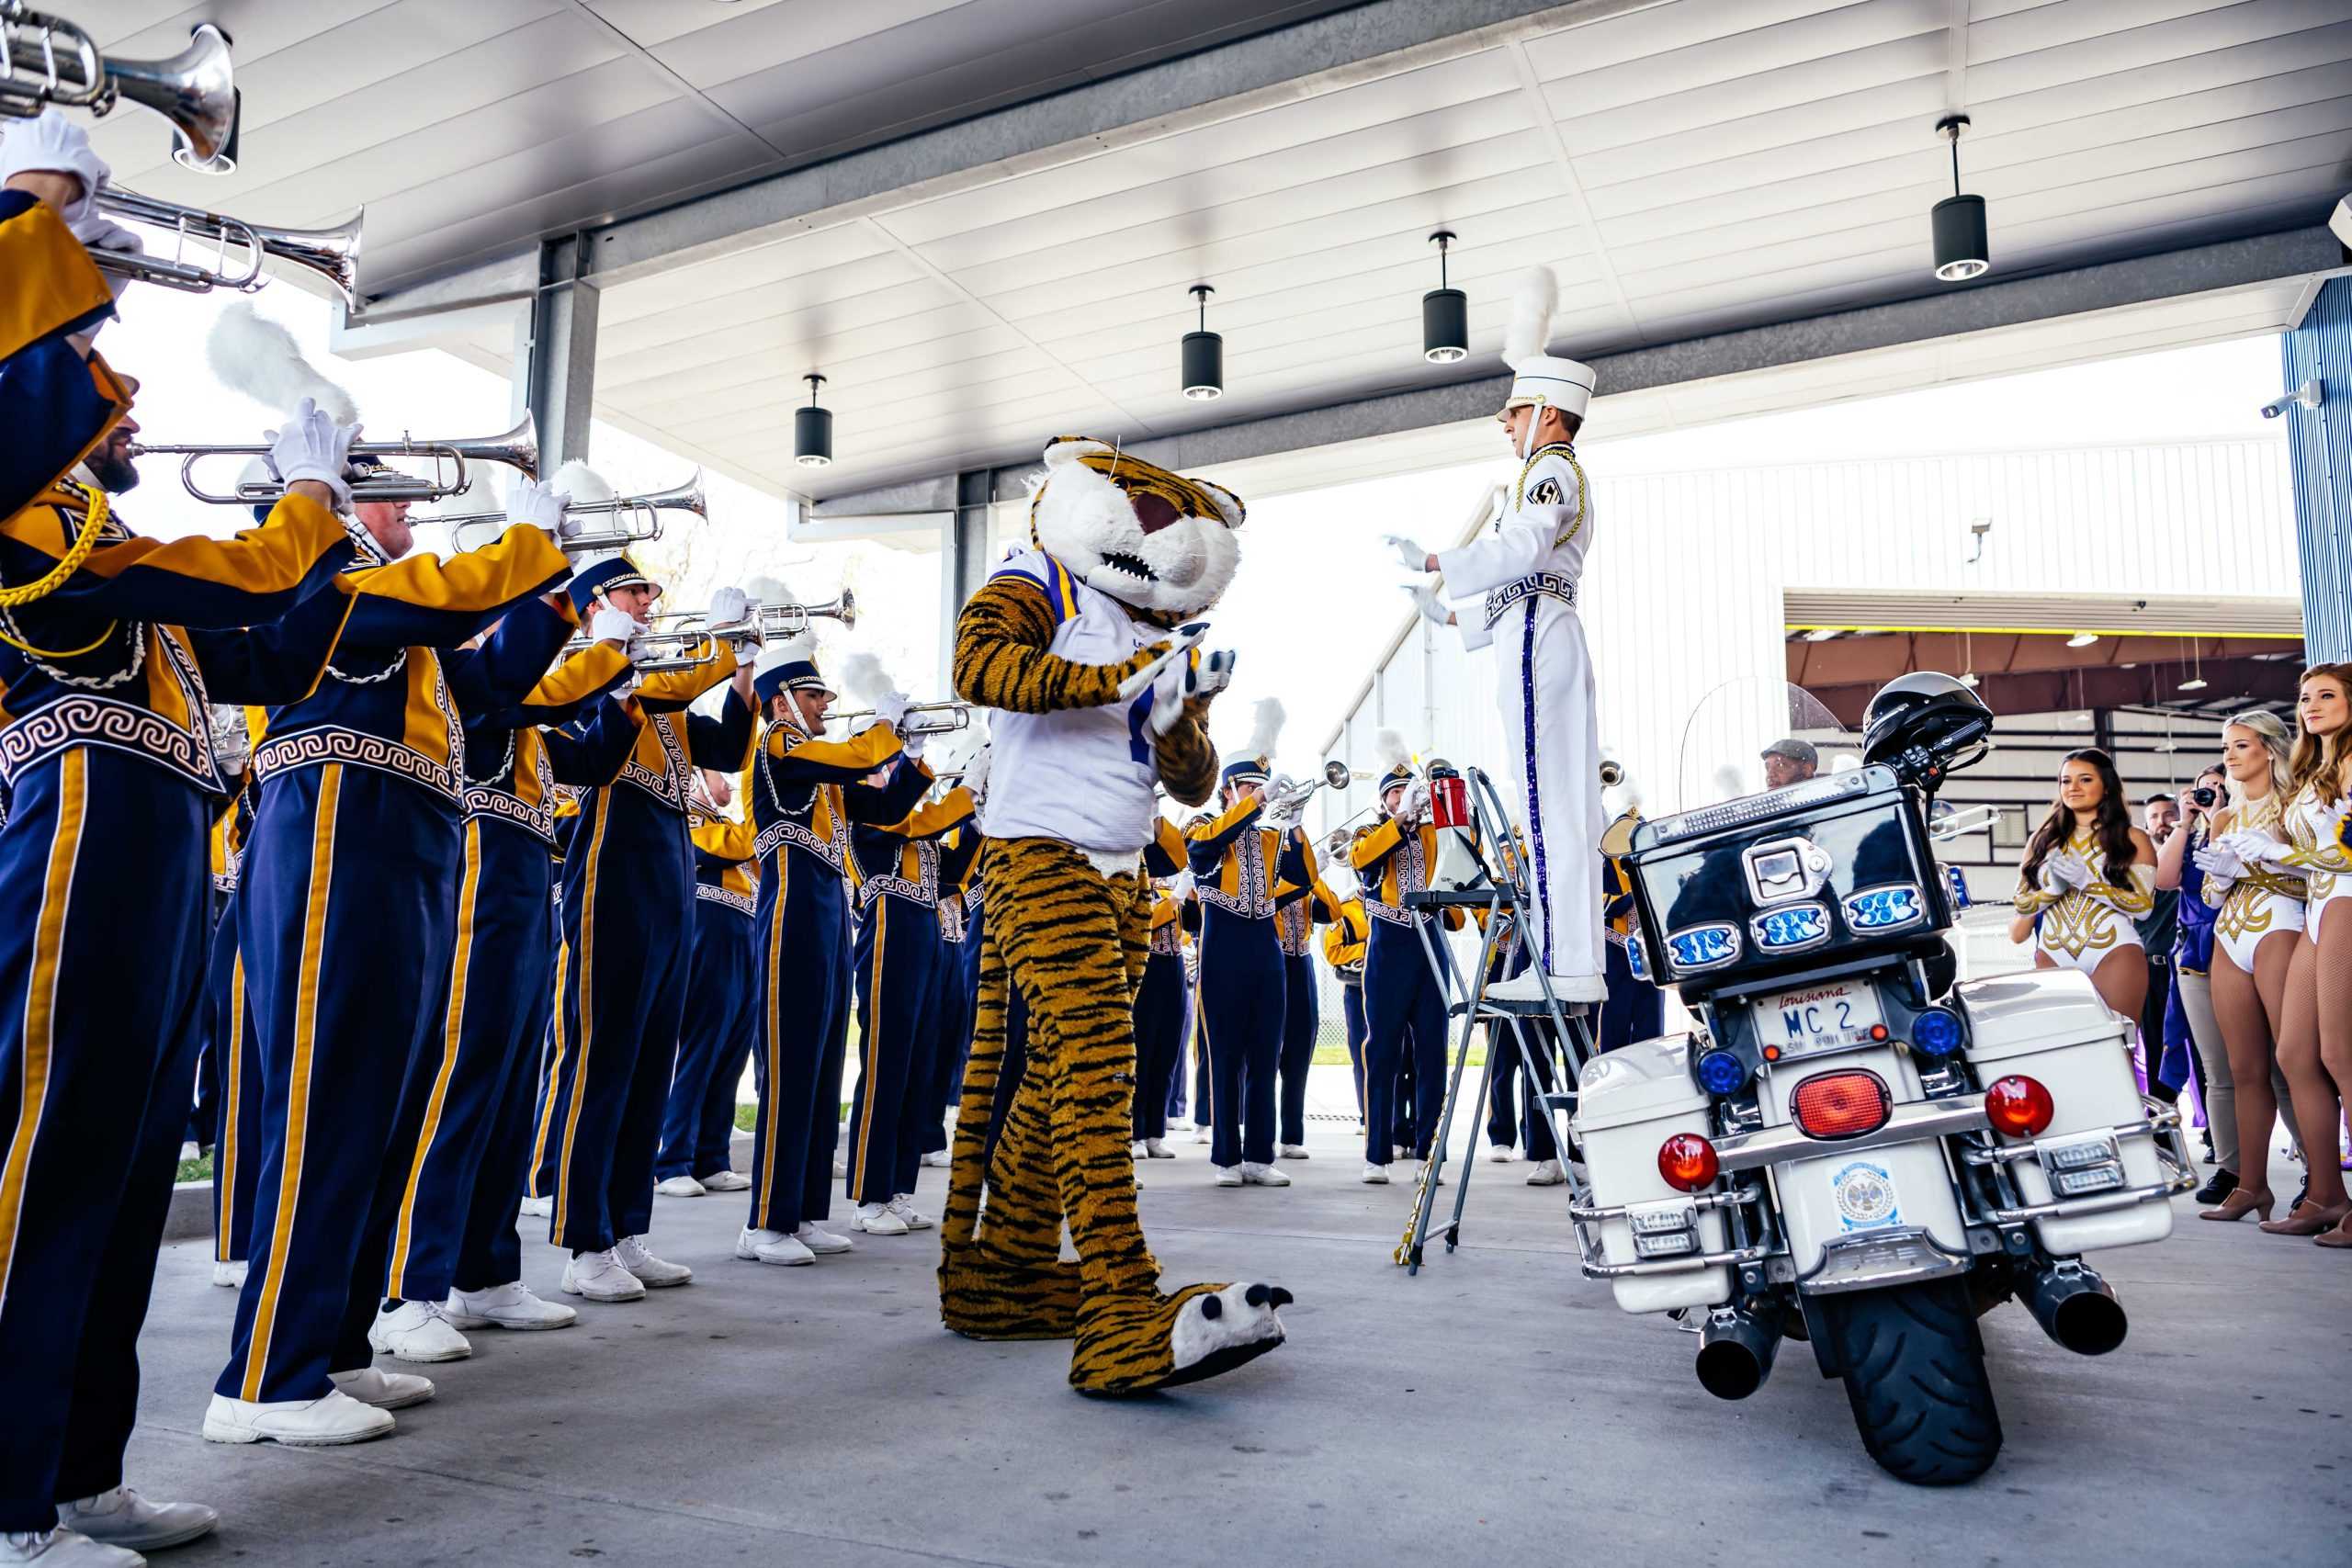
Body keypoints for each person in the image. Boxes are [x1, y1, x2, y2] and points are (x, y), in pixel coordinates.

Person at [2, 113, 375, 1558]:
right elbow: (226, 580)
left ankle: (75, 1470)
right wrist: (31, 203)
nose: (134, 393)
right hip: (69, 865)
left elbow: (274, 650)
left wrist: (322, 508)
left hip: (151, 875)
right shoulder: (41, 522)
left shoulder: (110, 538)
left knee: (120, 1168)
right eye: (102, 385)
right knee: (38, 1175)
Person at [208, 468, 584, 1445]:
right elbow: (444, 599)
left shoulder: (389, 614)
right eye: (386, 499)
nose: (410, 513)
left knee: (383, 1104)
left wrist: (553, 598)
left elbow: (489, 681)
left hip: (403, 830)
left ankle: (329, 1352)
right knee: (328, 1101)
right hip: (339, 818)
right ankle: (263, 1379)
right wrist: (525, 541)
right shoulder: (319, 585)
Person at [367, 632, 639, 1360]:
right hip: (482, 879)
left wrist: (622, 689)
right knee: (457, 1082)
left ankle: (483, 1274)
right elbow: (522, 693)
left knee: (510, 1088)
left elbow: (595, 760)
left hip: (524, 893)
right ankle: (405, 1291)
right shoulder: (476, 689)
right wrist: (602, 650)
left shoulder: (534, 726)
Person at [533, 558, 756, 1303]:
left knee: (649, 1059)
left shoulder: (660, 703)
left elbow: (725, 745)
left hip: (666, 884)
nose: (650, 606)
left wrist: (748, 674)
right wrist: (721, 647)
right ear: (597, 602)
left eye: (650, 596)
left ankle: (627, 1226)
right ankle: (582, 1237)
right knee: (599, 1059)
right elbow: (600, 742)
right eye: (634, 593)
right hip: (611, 877)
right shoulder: (582, 670)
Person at [1390, 265, 1605, 1005]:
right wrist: (1451, 614)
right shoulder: (1549, 472)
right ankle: (1566, 960)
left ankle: (1559, 964)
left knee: (1546, 801)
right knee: (1556, 800)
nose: (1503, 423)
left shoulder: (1549, 473)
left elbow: (1522, 554)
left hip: (1540, 631)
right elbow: (1523, 578)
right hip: (1538, 622)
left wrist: (1441, 560)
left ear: (1547, 412)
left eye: (1514, 410)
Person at [737, 645, 929, 1267]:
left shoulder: (821, 772)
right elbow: (856, 755)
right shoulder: (780, 744)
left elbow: (886, 808)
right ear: (784, 699)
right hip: (791, 901)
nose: (825, 705)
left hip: (824, 910)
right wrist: (885, 727)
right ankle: (765, 1220)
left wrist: (916, 760)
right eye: (815, 694)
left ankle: (800, 1211)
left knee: (820, 1068)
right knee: (792, 1063)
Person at [842, 761, 976, 1235]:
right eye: (882, 770)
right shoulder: (868, 815)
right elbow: (911, 817)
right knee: (885, 1066)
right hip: (887, 934)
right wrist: (968, 791)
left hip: (925, 939)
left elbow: (953, 875)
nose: (890, 774)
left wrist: (977, 820)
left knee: (919, 1067)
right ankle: (867, 1193)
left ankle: (897, 1188)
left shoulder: (915, 829)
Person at [2154, 764, 2295, 1209]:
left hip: (2256, 942)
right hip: (2198, 954)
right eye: (2204, 788)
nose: (2211, 793)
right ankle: (2232, 1169)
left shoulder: (2261, 820)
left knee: (2281, 1066)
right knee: (2220, 1071)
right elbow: (2164, 880)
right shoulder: (2198, 830)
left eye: (2219, 786)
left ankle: (2317, 1167)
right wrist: (2186, 820)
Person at [2186, 714, 2307, 1225]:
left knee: (2297, 1062)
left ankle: (2322, 1183)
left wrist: (2262, 864)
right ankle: (2251, 1185)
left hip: (2282, 927)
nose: (2230, 756)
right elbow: (2213, 894)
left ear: (2270, 749)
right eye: (2226, 746)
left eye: (2241, 745)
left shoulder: (2297, 804)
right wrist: (2220, 873)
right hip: (2229, 935)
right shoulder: (2225, 816)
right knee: (2242, 1070)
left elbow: (2313, 879)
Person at [1351, 750, 1466, 1184]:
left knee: (1433, 1052)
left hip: (1429, 941)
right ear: (1384, 801)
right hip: (1389, 943)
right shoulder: (1372, 831)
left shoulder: (1435, 832)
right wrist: (1399, 823)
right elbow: (1363, 860)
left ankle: (1429, 1153)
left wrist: (1442, 804)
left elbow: (1458, 862)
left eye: (1407, 791)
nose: (1402, 797)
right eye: (1394, 793)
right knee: (1382, 1050)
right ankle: (1377, 1153)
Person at [2267, 665, 2352, 1244]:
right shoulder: (2310, 770)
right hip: (2317, 908)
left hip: (2347, 900)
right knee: (2295, 1053)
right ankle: (2325, 1193)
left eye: (2327, 695)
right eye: (2305, 698)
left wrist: (2289, 858)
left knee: (2341, 1055)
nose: (2312, 706)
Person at [651, 770, 763, 1201]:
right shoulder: (683, 819)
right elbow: (741, 846)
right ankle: (672, 1157)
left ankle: (712, 1156)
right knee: (700, 1046)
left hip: (743, 933)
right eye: (713, 778)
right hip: (710, 929)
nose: (726, 787)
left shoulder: (720, 822)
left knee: (732, 1047)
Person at [1186, 756, 1294, 1188]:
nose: (1257, 795)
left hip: (1265, 945)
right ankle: (1226, 1157)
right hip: (1223, 945)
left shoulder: (1270, 838)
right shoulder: (1205, 828)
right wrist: (1258, 802)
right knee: (1226, 1055)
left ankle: (1260, 1157)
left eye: (1260, 788)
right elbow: (1201, 852)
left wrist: (1296, 825)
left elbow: (1302, 878)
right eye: (1249, 788)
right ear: (1228, 791)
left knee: (1267, 1053)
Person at [2008, 748, 2155, 1022]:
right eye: (2066, 780)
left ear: (2107, 786)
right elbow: (2021, 905)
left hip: (2114, 950)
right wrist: (2053, 891)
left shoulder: (2133, 838)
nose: (2073, 787)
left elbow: (2144, 907)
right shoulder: (2041, 840)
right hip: (2052, 953)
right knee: (2061, 1049)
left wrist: (2089, 883)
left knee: (2116, 1047)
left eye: (2085, 779)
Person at [1272, 823, 1342, 1160]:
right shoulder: (1272, 881)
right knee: (1266, 1053)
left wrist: (1316, 879)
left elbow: (1333, 912)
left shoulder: (1307, 885)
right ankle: (1261, 1132)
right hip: (1274, 963)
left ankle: (1292, 1135)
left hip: (1302, 963)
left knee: (1300, 1053)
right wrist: (1302, 879)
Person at [1131, 870, 1193, 1157]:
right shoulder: (1135, 890)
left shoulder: (1170, 893)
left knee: (1168, 1052)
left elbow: (1188, 929)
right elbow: (1144, 923)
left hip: (1174, 967)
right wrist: (1176, 897)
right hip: (1147, 967)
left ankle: (1156, 1131)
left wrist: (1189, 896)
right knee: (1143, 1052)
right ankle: (1135, 1133)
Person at [2138, 792, 2185, 1102]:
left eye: (2169, 815)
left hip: (2187, 965)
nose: (2161, 822)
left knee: (2200, 1049)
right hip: (2148, 969)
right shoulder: (2137, 868)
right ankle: (2164, 1132)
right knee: (2156, 1050)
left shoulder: (2192, 859)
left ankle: (2213, 1133)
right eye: (2154, 817)